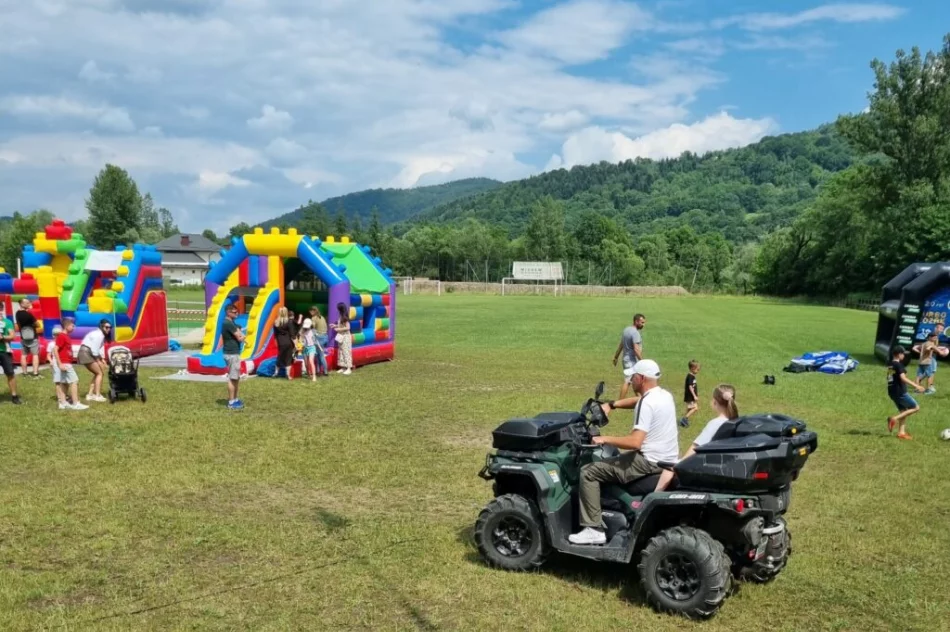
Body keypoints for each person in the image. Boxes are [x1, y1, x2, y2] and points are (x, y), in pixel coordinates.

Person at [569, 359, 678, 545]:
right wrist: (612, 404)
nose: (630, 380)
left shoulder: (647, 403)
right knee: (615, 460)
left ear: (641, 378)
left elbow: (635, 442)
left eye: (632, 377)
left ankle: (593, 529)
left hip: (647, 461)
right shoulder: (664, 395)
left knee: (588, 472)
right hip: (666, 459)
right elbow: (639, 401)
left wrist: (604, 438)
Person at [656, 384, 738, 492]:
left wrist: (679, 464)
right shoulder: (737, 422)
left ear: (714, 402)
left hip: (706, 467)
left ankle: (653, 496)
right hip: (726, 466)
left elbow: (695, 448)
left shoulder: (715, 423)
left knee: (668, 468)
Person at [887, 345, 925, 440]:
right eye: (903, 354)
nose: (904, 355)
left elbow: (890, 378)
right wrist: (917, 386)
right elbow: (903, 378)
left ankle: (901, 433)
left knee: (903, 411)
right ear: (899, 354)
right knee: (916, 407)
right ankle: (894, 419)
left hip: (892, 392)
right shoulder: (898, 365)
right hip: (900, 392)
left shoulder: (891, 364)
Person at [48, 324, 87, 410]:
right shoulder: (62, 336)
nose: (74, 327)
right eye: (72, 326)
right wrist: (60, 364)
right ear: (66, 326)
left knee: (64, 383)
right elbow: (55, 350)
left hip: (66, 362)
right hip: (64, 363)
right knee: (74, 381)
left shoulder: (66, 336)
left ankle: (63, 403)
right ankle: (76, 403)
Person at [612, 313, 645, 399]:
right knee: (627, 381)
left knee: (635, 381)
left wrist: (616, 357)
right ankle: (620, 402)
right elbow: (636, 349)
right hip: (631, 361)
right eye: (642, 322)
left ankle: (641, 400)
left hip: (626, 360)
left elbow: (621, 345)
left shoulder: (626, 330)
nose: (643, 325)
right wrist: (642, 362)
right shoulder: (635, 333)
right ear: (636, 321)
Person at [77, 319, 111, 402]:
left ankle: (90, 394)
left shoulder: (98, 334)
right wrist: (99, 361)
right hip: (86, 353)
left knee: (97, 373)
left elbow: (96, 349)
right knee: (100, 373)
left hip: (86, 352)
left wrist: (102, 359)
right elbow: (94, 350)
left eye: (110, 327)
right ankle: (97, 395)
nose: (109, 329)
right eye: (106, 327)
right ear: (102, 327)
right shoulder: (99, 335)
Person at [222, 303, 245, 410]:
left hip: (233, 353)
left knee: (236, 377)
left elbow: (238, 332)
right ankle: (231, 402)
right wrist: (242, 336)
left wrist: (239, 331)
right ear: (228, 312)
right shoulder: (228, 323)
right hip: (231, 354)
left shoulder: (231, 323)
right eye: (235, 312)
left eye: (237, 312)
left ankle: (235, 399)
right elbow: (240, 337)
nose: (237, 314)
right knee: (232, 378)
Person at [0, 305, 23, 404]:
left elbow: (12, 336)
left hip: (5, 351)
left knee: (10, 373)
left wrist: (3, 337)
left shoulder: (7, 322)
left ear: (2, 309)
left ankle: (14, 396)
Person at [15, 298, 41, 378]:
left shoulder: (17, 314)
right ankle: (35, 373)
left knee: (23, 355)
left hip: (23, 337)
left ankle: (25, 373)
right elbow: (38, 324)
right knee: (35, 355)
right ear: (22, 304)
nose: (29, 304)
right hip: (33, 337)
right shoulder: (29, 314)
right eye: (27, 303)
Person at [273, 306, 297, 380]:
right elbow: (292, 335)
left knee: (280, 357)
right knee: (288, 358)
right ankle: (287, 375)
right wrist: (296, 344)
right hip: (288, 342)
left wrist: (277, 342)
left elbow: (275, 334)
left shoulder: (276, 322)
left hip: (280, 342)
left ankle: (276, 373)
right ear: (286, 313)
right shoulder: (289, 322)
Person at [331, 302, 353, 375]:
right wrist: (335, 326)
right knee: (341, 351)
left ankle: (349, 368)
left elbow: (348, 327)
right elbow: (341, 325)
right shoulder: (341, 316)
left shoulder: (345, 317)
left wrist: (339, 329)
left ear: (340, 309)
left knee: (346, 351)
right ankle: (343, 367)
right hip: (341, 336)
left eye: (338, 308)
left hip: (345, 337)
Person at [309, 306, 329, 377]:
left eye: (310, 311)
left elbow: (312, 327)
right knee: (318, 354)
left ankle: (325, 371)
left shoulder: (314, 318)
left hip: (319, 338)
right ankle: (318, 370)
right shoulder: (322, 317)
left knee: (320, 355)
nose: (309, 313)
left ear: (313, 311)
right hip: (325, 337)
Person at [680, 359, 700, 427]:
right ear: (692, 368)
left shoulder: (692, 376)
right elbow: (690, 387)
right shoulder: (690, 377)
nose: (698, 371)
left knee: (689, 408)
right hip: (690, 396)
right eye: (697, 369)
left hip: (691, 396)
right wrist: (694, 396)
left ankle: (684, 420)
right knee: (695, 408)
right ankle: (684, 419)